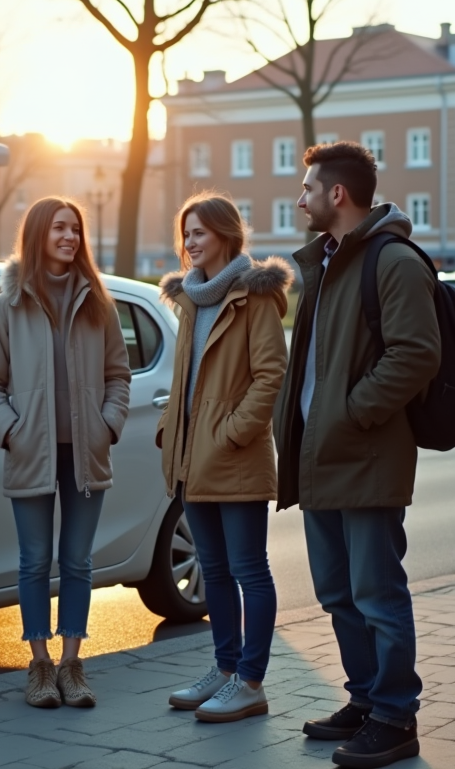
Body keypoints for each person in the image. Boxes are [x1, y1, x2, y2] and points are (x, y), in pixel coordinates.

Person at [273, 143, 441, 769]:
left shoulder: (391, 261)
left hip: (365, 456)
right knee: (338, 592)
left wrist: (350, 412)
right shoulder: (328, 261)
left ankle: (396, 717)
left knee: (377, 592)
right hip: (323, 455)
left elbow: (416, 354)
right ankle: (367, 699)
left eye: (308, 188)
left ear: (336, 194)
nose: (300, 199)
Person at [0, 196, 131, 709]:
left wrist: (108, 425)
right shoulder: (7, 307)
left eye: (75, 229)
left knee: (78, 561)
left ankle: (72, 664)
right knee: (35, 561)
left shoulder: (98, 304)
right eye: (59, 228)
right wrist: (11, 430)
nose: (69, 236)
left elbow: (118, 376)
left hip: (86, 452)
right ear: (38, 234)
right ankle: (38, 665)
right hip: (30, 452)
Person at [157, 192, 291, 723]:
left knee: (248, 570)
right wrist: (172, 425)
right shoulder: (191, 297)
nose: (190, 243)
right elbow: (184, 377)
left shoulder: (254, 297)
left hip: (234, 456)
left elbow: (269, 376)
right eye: (185, 233)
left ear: (226, 236)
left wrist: (233, 434)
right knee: (213, 570)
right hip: (194, 454)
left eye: (200, 233)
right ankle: (224, 667)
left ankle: (250, 681)